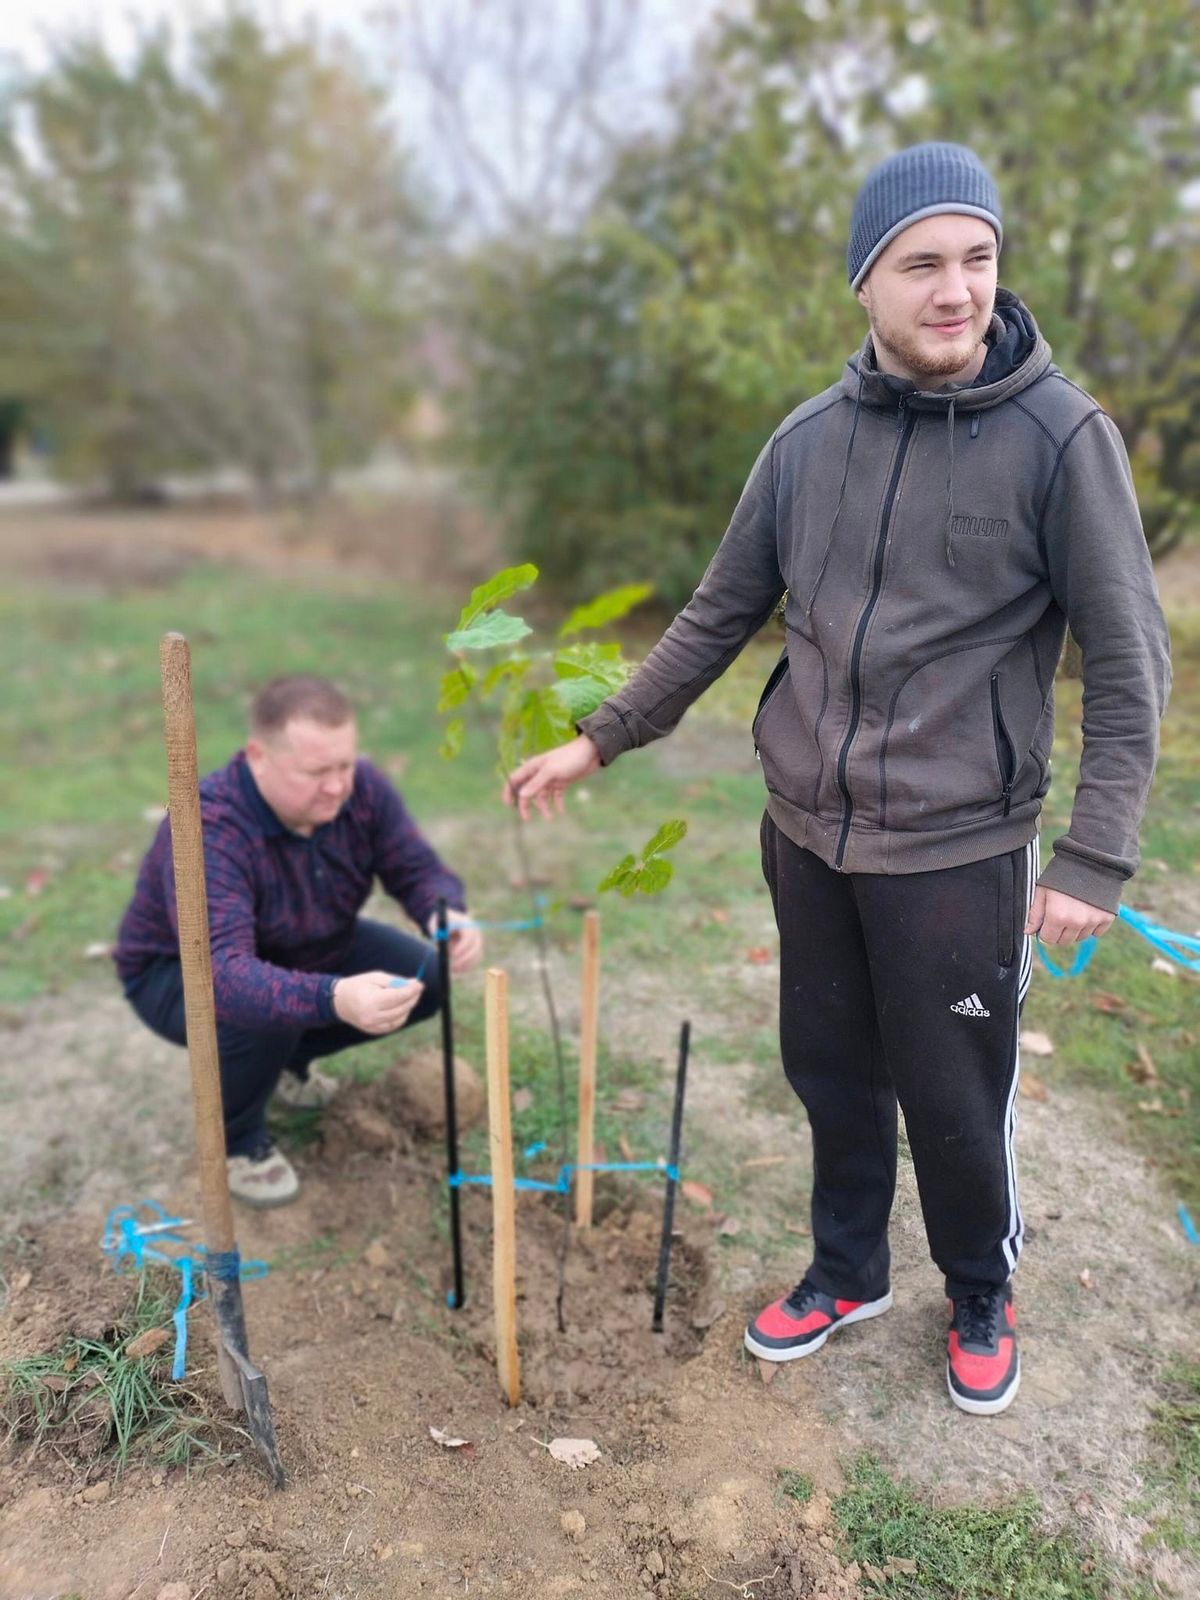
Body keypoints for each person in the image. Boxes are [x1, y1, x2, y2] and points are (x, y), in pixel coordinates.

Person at [502, 143, 1170, 1416]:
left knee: (956, 1095)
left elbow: (1131, 662)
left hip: (960, 847)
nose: (956, 290)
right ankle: (847, 1267)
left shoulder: (1060, 438)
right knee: (828, 1065)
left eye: (977, 259)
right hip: (807, 833)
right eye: (923, 263)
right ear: (865, 283)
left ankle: (979, 1287)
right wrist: (602, 734)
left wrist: (1092, 859)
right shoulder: (807, 442)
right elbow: (719, 612)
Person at [115, 674, 483, 1206]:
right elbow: (223, 974)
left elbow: (415, 866)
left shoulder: (362, 790)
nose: (337, 786)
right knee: (264, 1012)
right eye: (316, 772)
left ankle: (281, 1065)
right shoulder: (208, 828)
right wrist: (332, 997)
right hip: (177, 974)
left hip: (309, 942)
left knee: (428, 980)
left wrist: (446, 913)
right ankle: (237, 1142)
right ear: (258, 756)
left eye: (345, 766)